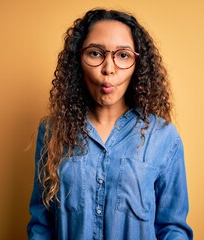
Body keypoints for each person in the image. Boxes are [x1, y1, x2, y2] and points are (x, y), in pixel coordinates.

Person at [27, 8, 193, 240]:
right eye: (96, 53)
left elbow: (173, 229)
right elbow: (41, 225)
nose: (109, 68)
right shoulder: (52, 132)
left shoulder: (163, 137)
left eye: (123, 55)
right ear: (78, 60)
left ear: (138, 63)